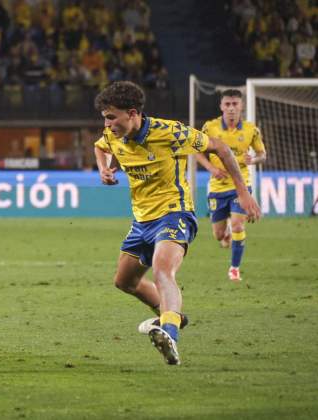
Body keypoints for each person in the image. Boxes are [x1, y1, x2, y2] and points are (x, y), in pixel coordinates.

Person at [93, 81, 260, 365]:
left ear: (132, 113)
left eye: (111, 117)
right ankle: (173, 316)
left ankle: (169, 333)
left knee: (162, 270)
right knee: (124, 282)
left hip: (175, 213)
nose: (107, 124)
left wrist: (242, 191)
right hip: (142, 219)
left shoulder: (170, 132)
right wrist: (104, 170)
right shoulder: (112, 136)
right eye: (105, 118)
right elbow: (100, 147)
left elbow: (218, 146)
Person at [195, 89, 266, 282]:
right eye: (227, 104)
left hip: (240, 185)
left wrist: (254, 159)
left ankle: (234, 268)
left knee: (237, 224)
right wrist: (211, 168)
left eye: (235, 104)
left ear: (241, 106)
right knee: (219, 235)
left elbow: (262, 154)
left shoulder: (252, 129)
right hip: (217, 187)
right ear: (221, 107)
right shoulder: (210, 127)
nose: (231, 108)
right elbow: (196, 151)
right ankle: (224, 233)